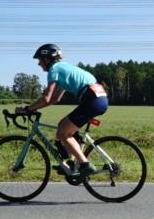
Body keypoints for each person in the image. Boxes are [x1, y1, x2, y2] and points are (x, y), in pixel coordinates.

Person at [17, 44, 108, 177]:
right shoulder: (64, 68)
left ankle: (85, 165)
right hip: (97, 98)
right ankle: (70, 163)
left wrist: (27, 109)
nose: (38, 64)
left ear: (47, 59)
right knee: (62, 127)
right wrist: (34, 108)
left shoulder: (54, 69)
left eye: (40, 60)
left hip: (92, 99)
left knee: (63, 133)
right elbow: (55, 99)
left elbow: (47, 98)